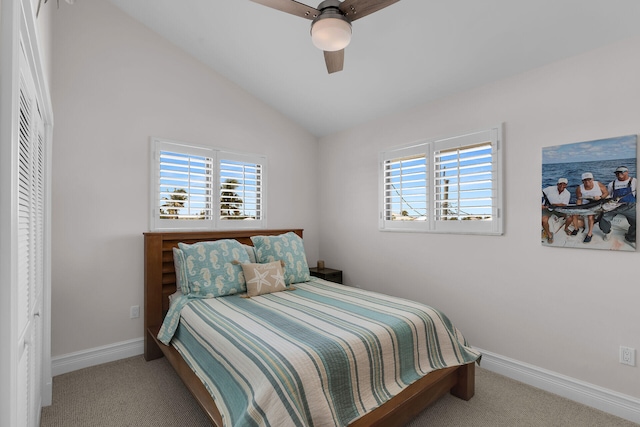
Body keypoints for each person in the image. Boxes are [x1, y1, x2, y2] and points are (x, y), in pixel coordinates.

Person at [599, 166, 636, 243]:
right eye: (617, 173)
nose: (619, 174)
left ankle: (631, 235)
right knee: (603, 219)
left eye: (621, 172)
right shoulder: (611, 184)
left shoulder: (635, 181)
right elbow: (609, 196)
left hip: (630, 206)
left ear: (627, 172)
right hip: (614, 206)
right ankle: (608, 232)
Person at [571, 172, 608, 243]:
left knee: (590, 217)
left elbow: (606, 193)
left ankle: (589, 234)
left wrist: (600, 197)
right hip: (585, 205)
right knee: (574, 214)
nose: (587, 182)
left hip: (597, 203)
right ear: (582, 181)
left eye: (589, 180)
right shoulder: (579, 188)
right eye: (585, 180)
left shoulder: (598, 184)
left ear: (593, 179)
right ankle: (576, 229)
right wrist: (578, 208)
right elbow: (579, 199)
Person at [541, 178, 571, 244]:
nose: (562, 186)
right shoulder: (549, 189)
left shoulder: (567, 193)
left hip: (559, 209)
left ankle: (566, 228)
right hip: (547, 209)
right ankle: (549, 234)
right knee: (543, 220)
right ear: (557, 184)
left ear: (566, 185)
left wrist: (554, 205)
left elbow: (564, 204)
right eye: (560, 184)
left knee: (570, 218)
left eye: (564, 184)